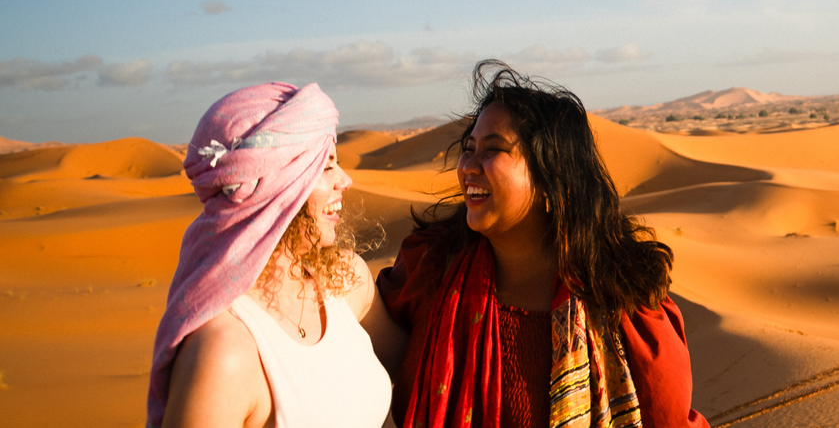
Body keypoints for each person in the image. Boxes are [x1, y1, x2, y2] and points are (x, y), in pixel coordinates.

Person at [375, 60, 709, 428]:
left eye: (493, 149)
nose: (469, 164)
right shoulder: (429, 270)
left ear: (551, 180)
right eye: (469, 147)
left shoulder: (626, 311)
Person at [146, 82, 393, 428]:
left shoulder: (346, 281)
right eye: (326, 167)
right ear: (277, 188)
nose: (346, 181)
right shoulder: (225, 352)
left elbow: (431, 374)